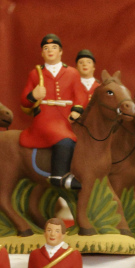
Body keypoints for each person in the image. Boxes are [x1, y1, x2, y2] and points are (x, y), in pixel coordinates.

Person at [19, 34, 85, 194]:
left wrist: (77, 110)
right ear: (42, 53)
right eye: (46, 48)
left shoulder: (72, 73)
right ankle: (59, 176)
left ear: (60, 51)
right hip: (46, 117)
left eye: (54, 47)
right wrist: (33, 95)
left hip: (67, 116)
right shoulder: (35, 74)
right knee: (65, 138)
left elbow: (80, 95)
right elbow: (24, 101)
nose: (50, 51)